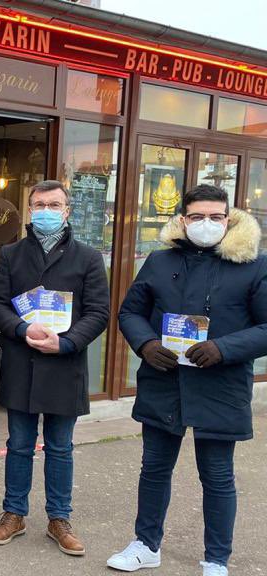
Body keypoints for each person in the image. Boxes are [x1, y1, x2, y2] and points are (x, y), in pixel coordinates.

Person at [110, 184, 267, 576]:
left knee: (217, 476)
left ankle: (216, 559)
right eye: (197, 216)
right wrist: (145, 343)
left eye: (216, 216)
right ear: (183, 219)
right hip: (164, 379)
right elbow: (130, 312)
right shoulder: (161, 261)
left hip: (221, 384)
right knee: (154, 468)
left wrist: (225, 348)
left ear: (229, 219)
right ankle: (146, 545)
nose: (206, 224)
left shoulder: (252, 264)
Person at [0, 179, 109, 557]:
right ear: (30, 210)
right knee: (18, 445)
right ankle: (14, 514)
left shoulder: (88, 257)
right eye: (39, 205)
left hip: (65, 363)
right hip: (23, 360)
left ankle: (59, 519)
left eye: (53, 205)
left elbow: (99, 312)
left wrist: (67, 341)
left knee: (60, 447)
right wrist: (21, 329)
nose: (46, 211)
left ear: (67, 211)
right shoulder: (11, 254)